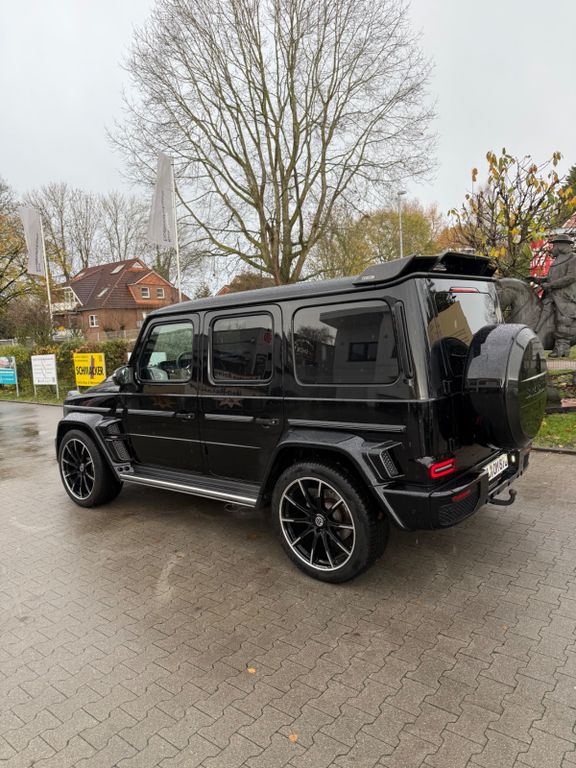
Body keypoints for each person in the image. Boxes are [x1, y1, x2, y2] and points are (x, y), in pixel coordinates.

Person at [540, 234, 576, 357]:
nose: (552, 248)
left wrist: (550, 285)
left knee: (563, 318)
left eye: (554, 245)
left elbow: (570, 278)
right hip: (552, 294)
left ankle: (562, 348)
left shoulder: (573, 258)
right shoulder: (556, 260)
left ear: (561, 246)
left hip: (566, 296)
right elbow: (551, 278)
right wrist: (538, 280)